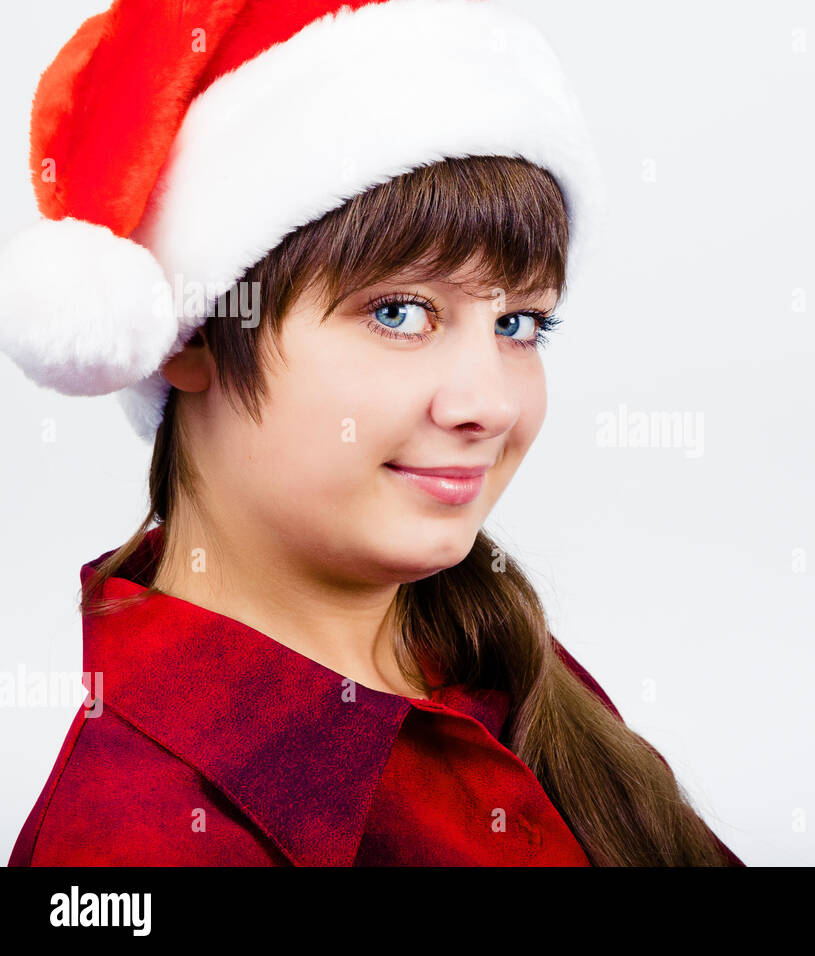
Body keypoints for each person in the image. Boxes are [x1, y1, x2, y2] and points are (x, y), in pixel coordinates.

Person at [0, 0, 743, 866]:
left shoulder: (490, 648)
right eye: (399, 312)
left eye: (519, 325)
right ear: (192, 338)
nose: (489, 406)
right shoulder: (133, 842)